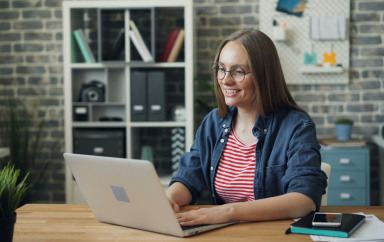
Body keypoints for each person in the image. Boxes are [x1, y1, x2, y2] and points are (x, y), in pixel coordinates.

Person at [166, 29, 327, 226]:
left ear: (263, 76)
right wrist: (170, 198)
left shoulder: (296, 127)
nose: (225, 79)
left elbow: (304, 200)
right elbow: (189, 176)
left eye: (239, 71)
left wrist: (229, 212)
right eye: (221, 68)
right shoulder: (213, 122)